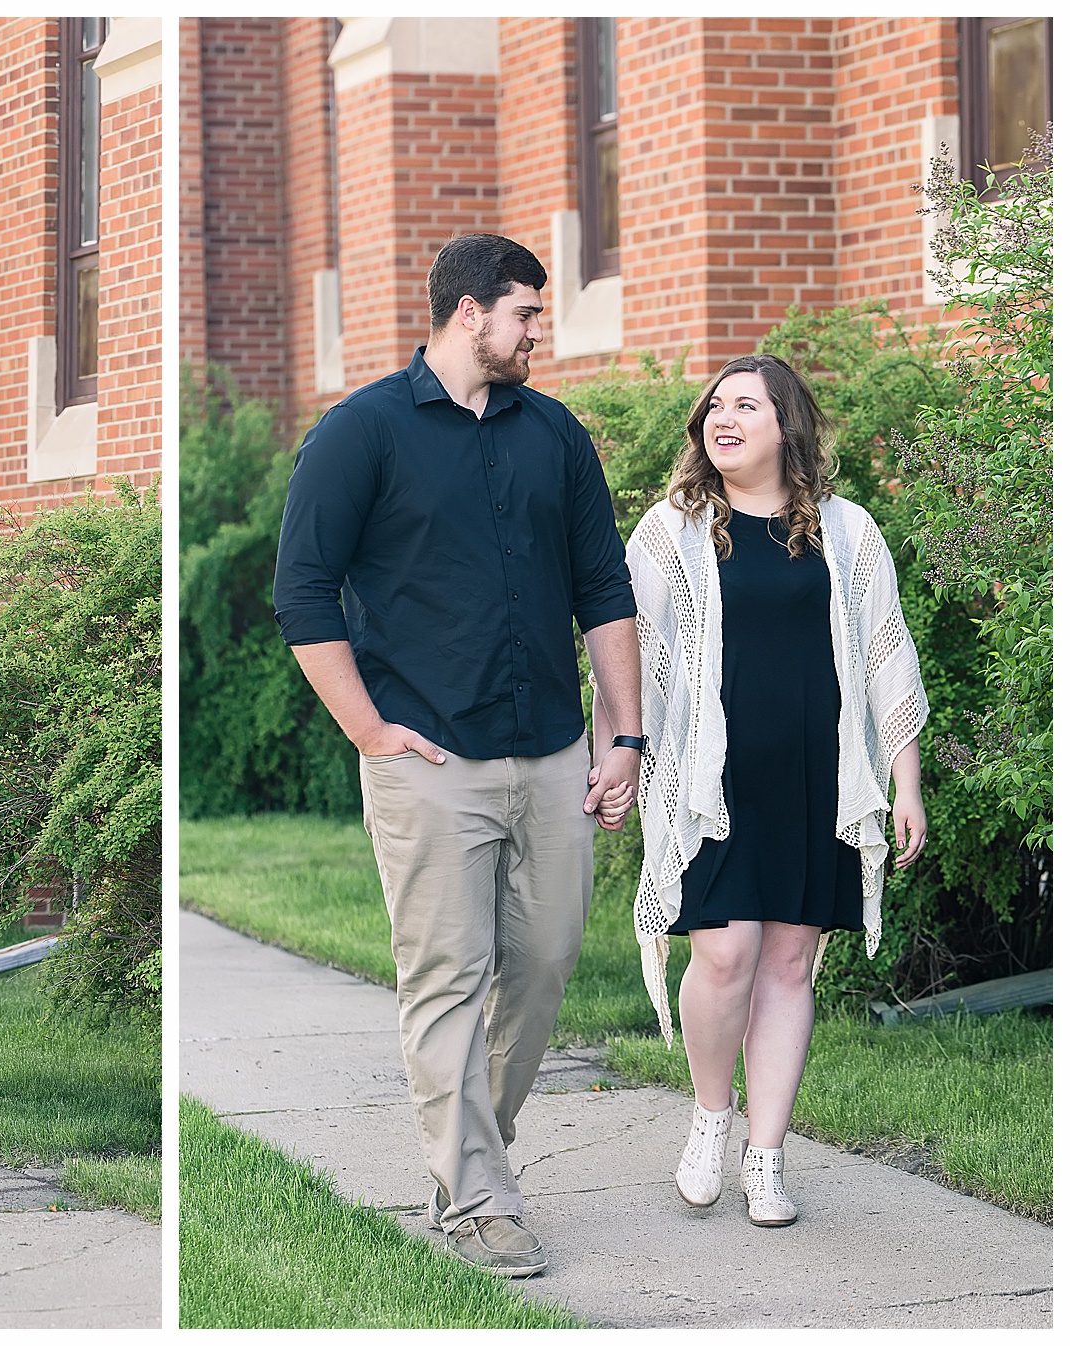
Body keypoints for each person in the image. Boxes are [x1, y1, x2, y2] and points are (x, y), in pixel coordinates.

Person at [273, 233, 642, 1278]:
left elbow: (604, 589)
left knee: (545, 958)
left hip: (555, 752)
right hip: (429, 758)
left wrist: (625, 732)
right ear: (469, 311)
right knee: (447, 973)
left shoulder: (555, 435)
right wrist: (368, 729)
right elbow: (303, 595)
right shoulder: (361, 435)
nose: (540, 332)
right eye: (527, 312)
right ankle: (479, 1194)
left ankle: (469, 1156)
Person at [624, 354, 928, 1226]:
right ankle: (710, 1120)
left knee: (791, 961)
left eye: (745, 406)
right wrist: (624, 756)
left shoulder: (847, 530)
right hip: (711, 780)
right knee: (723, 953)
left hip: (817, 777)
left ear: (785, 424)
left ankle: (767, 1155)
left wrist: (903, 783)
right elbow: (636, 657)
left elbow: (885, 656)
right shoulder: (670, 533)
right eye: (715, 406)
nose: (723, 419)